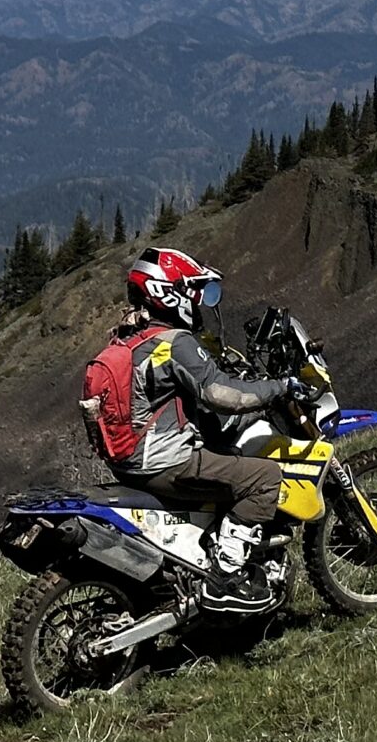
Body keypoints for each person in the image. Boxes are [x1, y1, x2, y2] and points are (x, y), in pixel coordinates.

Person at [97, 246, 296, 608]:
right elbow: (222, 394)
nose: (199, 301)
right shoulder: (175, 343)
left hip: (128, 464)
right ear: (166, 293)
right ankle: (226, 578)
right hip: (167, 464)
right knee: (264, 477)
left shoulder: (127, 339)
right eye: (192, 290)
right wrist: (278, 387)